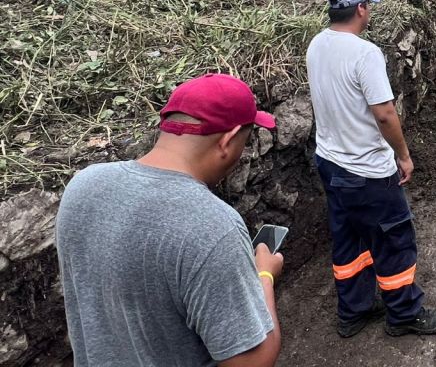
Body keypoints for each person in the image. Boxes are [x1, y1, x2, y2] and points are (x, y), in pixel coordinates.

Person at [56, 74, 284, 367]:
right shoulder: (212, 227)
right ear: (228, 139)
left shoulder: (83, 185)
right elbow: (253, 362)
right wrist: (263, 276)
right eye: (246, 140)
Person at [307, 0, 436, 338]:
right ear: (360, 9)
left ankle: (352, 312)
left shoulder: (317, 44)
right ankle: (403, 314)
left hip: (330, 163)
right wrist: (403, 155)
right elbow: (384, 113)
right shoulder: (364, 53)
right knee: (393, 239)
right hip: (367, 171)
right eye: (368, 5)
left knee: (349, 240)